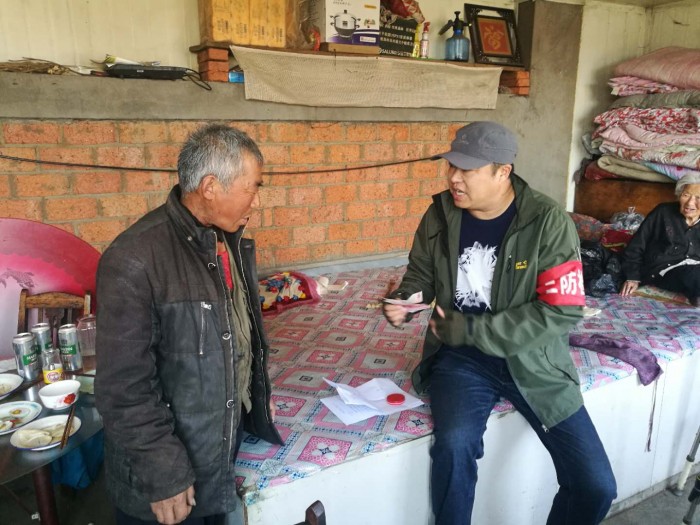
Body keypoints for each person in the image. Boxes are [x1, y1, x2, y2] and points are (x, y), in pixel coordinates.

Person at [382, 121, 617, 524]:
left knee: (596, 485)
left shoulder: (547, 221)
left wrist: (474, 329)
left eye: (468, 169)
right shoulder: (440, 214)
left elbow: (561, 310)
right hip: (463, 359)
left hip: (535, 361)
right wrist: (407, 298)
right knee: (454, 446)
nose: (454, 178)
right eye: (452, 166)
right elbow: (420, 274)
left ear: (502, 172)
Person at [95, 124, 283, 525]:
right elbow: (123, 388)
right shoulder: (133, 259)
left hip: (215, 457)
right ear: (210, 187)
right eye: (252, 188)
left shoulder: (224, 240)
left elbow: (235, 339)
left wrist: (252, 401)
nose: (257, 200)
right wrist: (162, 470)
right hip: (166, 481)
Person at [620, 172, 700, 306]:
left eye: (698, 197)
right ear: (679, 195)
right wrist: (632, 277)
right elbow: (636, 246)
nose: (690, 203)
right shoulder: (663, 212)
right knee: (694, 275)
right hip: (665, 269)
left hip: (695, 269)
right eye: (686, 195)